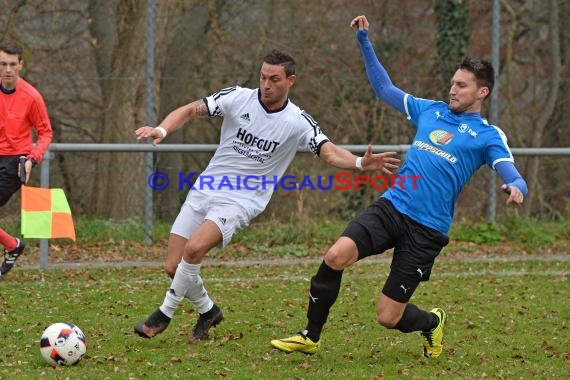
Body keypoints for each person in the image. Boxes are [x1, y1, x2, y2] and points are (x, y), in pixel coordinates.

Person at [271, 15, 528, 358]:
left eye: (462, 86)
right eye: (453, 83)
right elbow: (384, 89)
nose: (453, 89)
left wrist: (516, 187)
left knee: (387, 316)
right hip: (392, 207)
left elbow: (510, 171)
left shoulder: (487, 136)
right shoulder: (430, 111)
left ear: (482, 92)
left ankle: (431, 323)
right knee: (335, 256)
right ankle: (310, 335)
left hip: (427, 230)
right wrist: (364, 39)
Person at [133, 49, 400, 343]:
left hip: (241, 201)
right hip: (205, 188)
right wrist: (162, 128)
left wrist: (361, 162)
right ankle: (208, 311)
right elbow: (188, 110)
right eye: (262, 77)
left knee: (194, 251)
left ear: (291, 80)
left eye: (274, 79)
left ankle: (164, 313)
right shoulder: (237, 97)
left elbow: (329, 151)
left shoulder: (297, 121)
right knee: (173, 266)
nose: (266, 84)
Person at [0, 42, 53, 278]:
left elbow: (45, 132)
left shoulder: (31, 96)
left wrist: (32, 158)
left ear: (21, 65)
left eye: (13, 64)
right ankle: (12, 245)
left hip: (15, 163)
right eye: (3, 64)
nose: (8, 69)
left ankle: (12, 245)